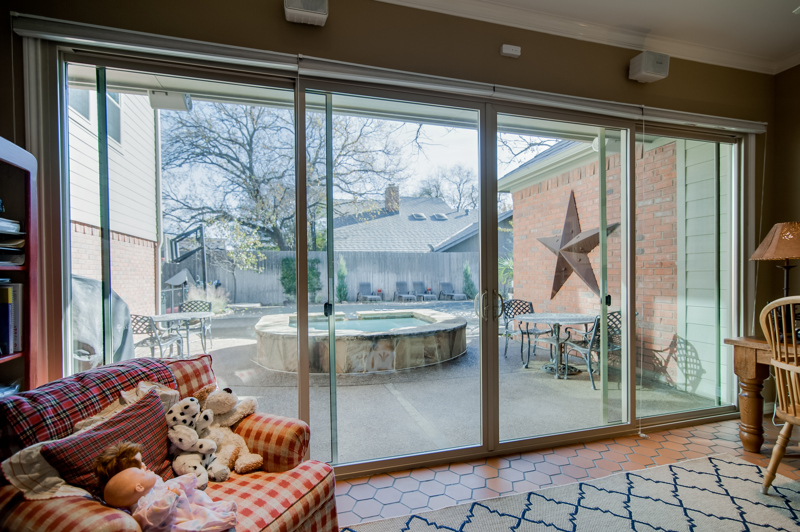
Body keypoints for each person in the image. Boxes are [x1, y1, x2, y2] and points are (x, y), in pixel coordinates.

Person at [94, 442, 237, 532]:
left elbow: (166, 486)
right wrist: (171, 495)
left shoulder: (151, 482)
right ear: (135, 485)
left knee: (198, 496)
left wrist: (185, 481)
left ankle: (216, 511)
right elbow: (155, 513)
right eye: (139, 467)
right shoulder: (139, 507)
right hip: (177, 522)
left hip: (187, 508)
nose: (145, 466)